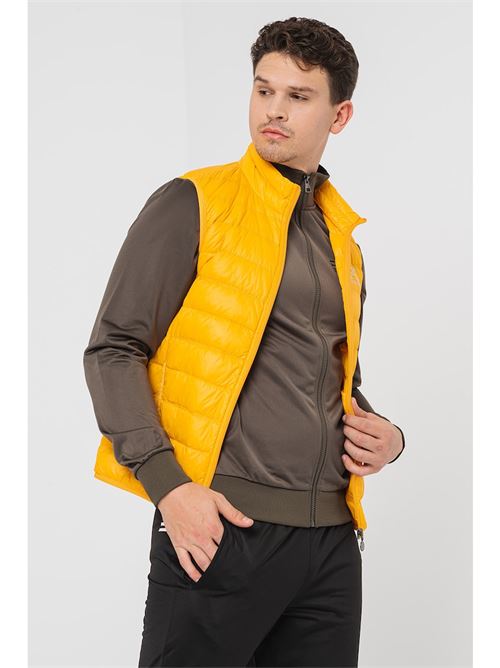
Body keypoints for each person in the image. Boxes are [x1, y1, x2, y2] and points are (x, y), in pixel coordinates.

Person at [83, 16, 405, 668]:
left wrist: (389, 437)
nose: (274, 111)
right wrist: (170, 487)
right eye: (264, 90)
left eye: (298, 96)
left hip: (330, 541)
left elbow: (335, 377)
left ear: (339, 115)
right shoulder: (194, 201)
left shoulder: (342, 240)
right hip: (223, 526)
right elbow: (114, 348)